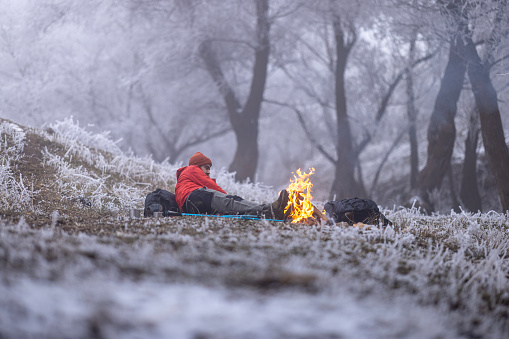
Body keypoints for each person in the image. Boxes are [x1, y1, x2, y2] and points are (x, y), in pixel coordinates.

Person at [175, 152, 289, 220]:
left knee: (230, 209)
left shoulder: (186, 178)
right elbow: (212, 186)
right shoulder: (192, 169)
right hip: (196, 197)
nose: (209, 172)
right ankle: (268, 208)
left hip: (191, 205)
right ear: (198, 166)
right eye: (207, 168)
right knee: (231, 202)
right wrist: (228, 197)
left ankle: (264, 213)